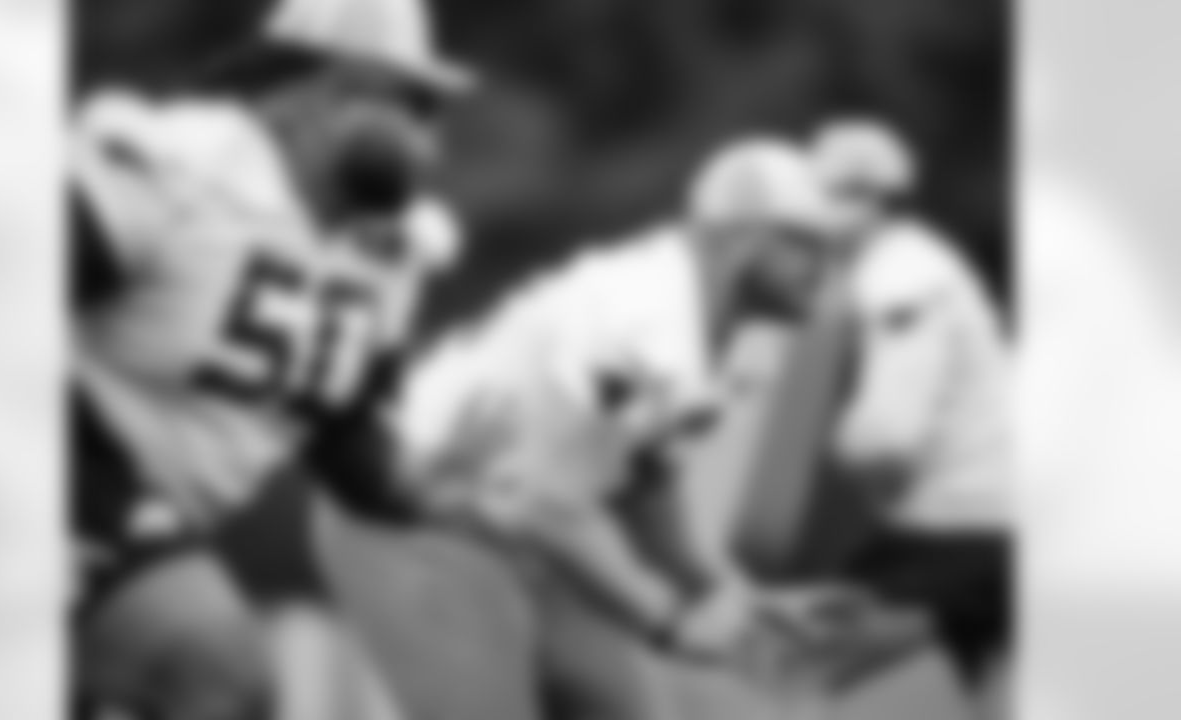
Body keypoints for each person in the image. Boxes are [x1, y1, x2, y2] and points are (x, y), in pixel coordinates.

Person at [70, 0, 471, 717]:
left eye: (426, 107)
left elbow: (345, 434)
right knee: (213, 663)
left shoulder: (388, 255)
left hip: (142, 517)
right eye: (385, 96)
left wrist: (439, 489)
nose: (414, 132)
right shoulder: (182, 166)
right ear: (295, 94)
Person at [392, 138, 841, 672]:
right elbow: (538, 499)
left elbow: (644, 486)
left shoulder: (698, 322)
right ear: (741, 237)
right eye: (805, 243)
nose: (824, 267)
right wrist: (665, 622)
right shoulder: (638, 318)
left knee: (622, 703)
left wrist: (733, 595)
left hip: (495, 520)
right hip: (410, 507)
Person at [809, 118, 1012, 683]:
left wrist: (830, 452)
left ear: (877, 201)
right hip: (983, 521)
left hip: (957, 529)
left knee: (799, 660)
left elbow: (887, 439)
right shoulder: (913, 264)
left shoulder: (901, 276)